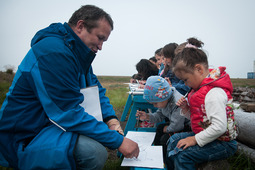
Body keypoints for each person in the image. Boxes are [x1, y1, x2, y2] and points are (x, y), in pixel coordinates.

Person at [0, 5, 139, 169]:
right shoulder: (53, 52)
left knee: (97, 137)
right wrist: (118, 141)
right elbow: (67, 112)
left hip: (50, 124)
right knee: (94, 152)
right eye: (100, 38)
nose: (101, 46)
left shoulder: (80, 55)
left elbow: (96, 91)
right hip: (27, 133)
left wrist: (110, 118)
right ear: (80, 26)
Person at [166, 37, 238, 169]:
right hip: (208, 136)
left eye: (186, 80)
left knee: (182, 155)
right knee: (172, 141)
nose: (185, 84)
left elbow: (219, 127)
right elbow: (201, 119)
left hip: (223, 143)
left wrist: (193, 139)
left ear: (199, 69)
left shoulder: (214, 94)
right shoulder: (199, 90)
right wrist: (187, 109)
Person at [136, 76, 190, 163]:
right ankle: (156, 155)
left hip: (187, 127)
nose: (154, 106)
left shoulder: (178, 103)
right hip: (176, 124)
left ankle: (165, 162)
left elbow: (177, 126)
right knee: (160, 128)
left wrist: (166, 129)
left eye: (155, 103)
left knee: (165, 139)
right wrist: (147, 116)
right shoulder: (163, 99)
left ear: (164, 97)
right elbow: (159, 115)